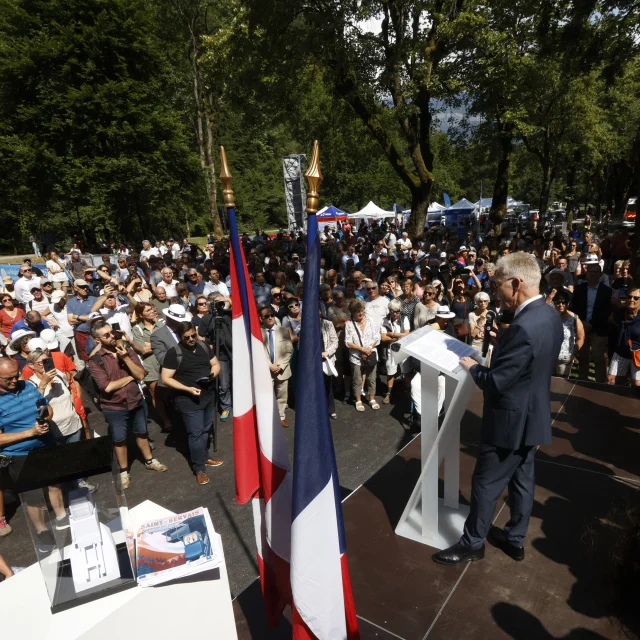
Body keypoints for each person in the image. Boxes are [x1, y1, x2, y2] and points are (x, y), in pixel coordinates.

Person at [433, 253, 563, 566]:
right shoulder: (549, 315)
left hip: (509, 422)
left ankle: (472, 543)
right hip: (532, 418)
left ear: (517, 283)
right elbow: (532, 362)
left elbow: (496, 381)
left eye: (496, 284)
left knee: (485, 483)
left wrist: (473, 367)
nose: (494, 291)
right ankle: (515, 539)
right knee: (522, 480)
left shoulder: (522, 327)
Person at [87, 320, 167, 489]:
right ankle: (124, 471)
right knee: (120, 439)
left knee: (142, 432)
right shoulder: (95, 361)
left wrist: (126, 359)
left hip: (135, 400)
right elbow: (107, 386)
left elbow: (141, 374)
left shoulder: (126, 350)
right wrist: (131, 377)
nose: (111, 336)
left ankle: (149, 460)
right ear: (97, 340)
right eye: (106, 335)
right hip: (114, 407)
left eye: (112, 332)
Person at [0, 356, 62, 541]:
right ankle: (42, 531)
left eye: (15, 375)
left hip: (47, 446)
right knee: (33, 496)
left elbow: (46, 407)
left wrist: (46, 417)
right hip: (20, 455)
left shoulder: (27, 386)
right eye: (8, 379)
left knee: (54, 484)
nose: (14, 381)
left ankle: (62, 518)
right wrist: (30, 432)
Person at [161, 322, 223, 485]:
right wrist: (188, 389)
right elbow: (166, 378)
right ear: (180, 338)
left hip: (208, 396)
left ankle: (204, 457)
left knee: (205, 430)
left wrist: (212, 375)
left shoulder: (203, 346)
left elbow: (216, 364)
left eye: (193, 335)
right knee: (195, 434)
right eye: (186, 337)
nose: (191, 339)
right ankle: (199, 468)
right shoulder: (174, 353)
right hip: (188, 400)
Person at [571, 258, 612, 383]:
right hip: (581, 327)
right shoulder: (579, 289)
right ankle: (582, 381)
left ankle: (600, 383)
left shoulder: (607, 291)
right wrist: (581, 323)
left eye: (596, 272)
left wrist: (591, 323)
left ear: (600, 274)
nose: (593, 274)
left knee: (598, 357)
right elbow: (574, 308)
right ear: (587, 273)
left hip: (598, 329)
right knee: (583, 356)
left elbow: (606, 312)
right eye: (591, 271)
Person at [131, 302, 167, 428]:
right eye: (148, 311)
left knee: (170, 392)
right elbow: (142, 349)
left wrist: (149, 344)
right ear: (141, 315)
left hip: (165, 364)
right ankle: (166, 420)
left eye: (152, 309)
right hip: (150, 366)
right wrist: (158, 344)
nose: (152, 312)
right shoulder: (137, 329)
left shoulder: (161, 324)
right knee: (156, 394)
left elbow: (168, 342)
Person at [197, 294, 233, 421]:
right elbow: (200, 335)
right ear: (211, 304)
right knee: (224, 384)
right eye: (216, 302)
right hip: (220, 356)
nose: (219, 305)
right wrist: (209, 343)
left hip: (235, 353)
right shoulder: (207, 318)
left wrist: (228, 301)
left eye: (221, 302)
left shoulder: (230, 314)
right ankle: (226, 407)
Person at [260, 305, 293, 427]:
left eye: (272, 315)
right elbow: (257, 352)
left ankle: (281, 416)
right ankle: (268, 417)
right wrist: (269, 365)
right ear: (261, 318)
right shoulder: (258, 333)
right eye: (266, 316)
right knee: (267, 396)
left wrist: (281, 366)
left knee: (282, 395)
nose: (270, 318)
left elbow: (289, 350)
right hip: (266, 370)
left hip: (282, 370)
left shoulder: (283, 330)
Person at [344, 299, 380, 412]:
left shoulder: (370, 320)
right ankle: (358, 400)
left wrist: (369, 348)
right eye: (357, 311)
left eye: (362, 311)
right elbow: (348, 342)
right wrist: (361, 349)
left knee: (372, 378)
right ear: (352, 312)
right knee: (357, 379)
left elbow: (376, 336)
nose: (361, 313)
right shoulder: (349, 324)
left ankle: (371, 398)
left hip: (371, 354)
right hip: (356, 357)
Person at [607, 287, 640, 391]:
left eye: (636, 298)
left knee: (637, 384)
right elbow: (611, 320)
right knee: (611, 380)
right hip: (621, 352)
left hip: (637, 354)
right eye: (629, 297)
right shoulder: (620, 313)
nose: (632, 300)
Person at [380, 299, 410, 404]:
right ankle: (389, 393)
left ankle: (409, 390)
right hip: (390, 350)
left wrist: (392, 334)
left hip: (403, 349)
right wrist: (398, 336)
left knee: (406, 370)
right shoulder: (384, 320)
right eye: (393, 311)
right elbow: (383, 338)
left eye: (398, 311)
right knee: (390, 371)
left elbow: (407, 334)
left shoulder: (404, 318)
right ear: (389, 310)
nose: (396, 314)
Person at [66, 279, 99, 361]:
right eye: (82, 287)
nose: (85, 289)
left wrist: (77, 317)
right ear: (76, 288)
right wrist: (87, 318)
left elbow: (96, 316)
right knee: (86, 356)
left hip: (95, 332)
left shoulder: (94, 299)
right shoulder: (70, 302)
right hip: (81, 333)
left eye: (86, 287)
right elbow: (70, 320)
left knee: (99, 354)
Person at [553, 293, 585, 377]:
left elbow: (580, 337)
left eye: (564, 302)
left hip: (565, 359)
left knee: (561, 384)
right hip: (549, 358)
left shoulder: (574, 318)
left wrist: (575, 349)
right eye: (558, 302)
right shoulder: (549, 317)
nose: (561, 305)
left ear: (568, 304)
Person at [320, 312, 339, 420]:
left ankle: (331, 409)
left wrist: (327, 352)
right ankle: (320, 410)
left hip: (327, 359)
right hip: (313, 361)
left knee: (328, 385)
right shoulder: (306, 325)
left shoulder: (328, 323)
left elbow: (335, 341)